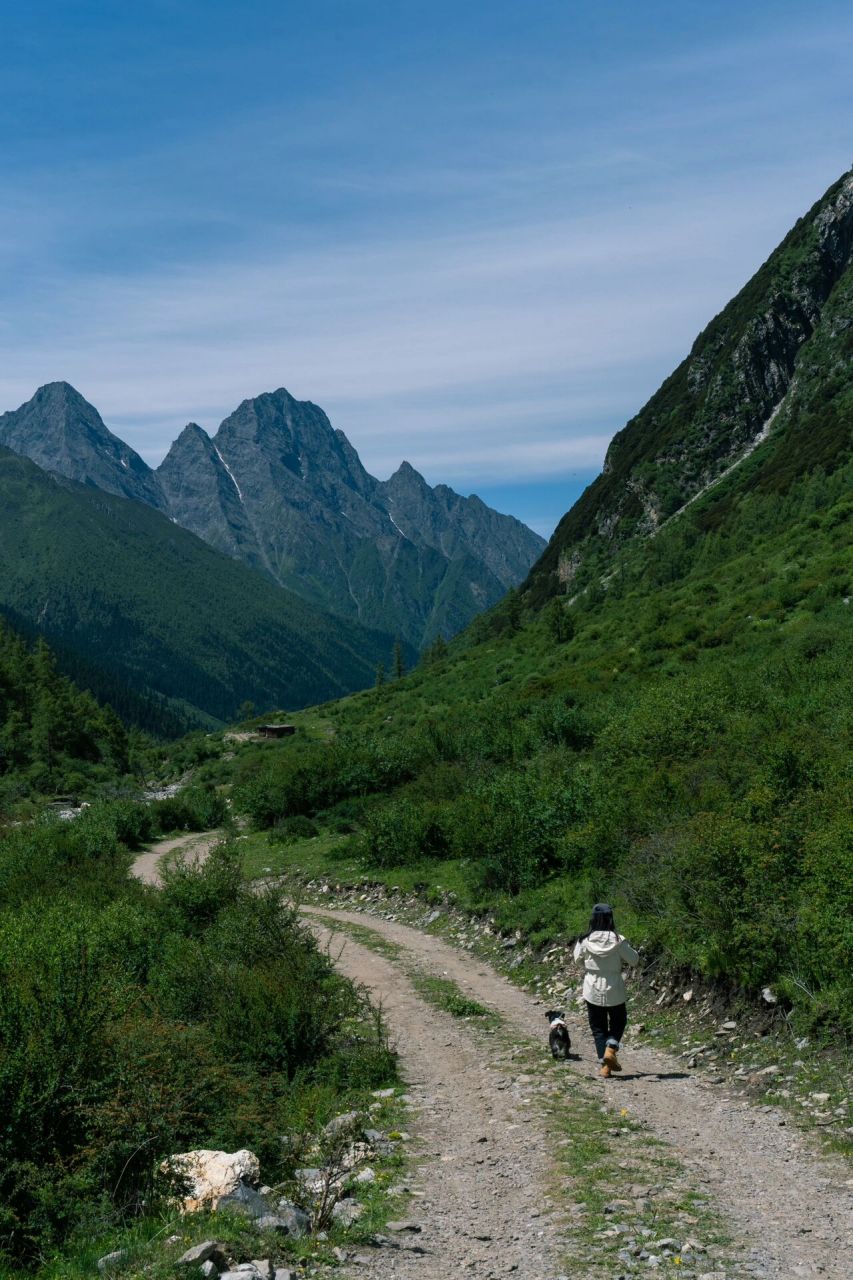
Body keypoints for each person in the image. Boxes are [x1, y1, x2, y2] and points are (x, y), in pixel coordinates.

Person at [574, 903, 639, 1077]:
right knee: (619, 1021)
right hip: (615, 987)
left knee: (598, 1028)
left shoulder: (584, 940)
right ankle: (610, 1049)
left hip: (592, 987)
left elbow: (577, 960)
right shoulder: (618, 940)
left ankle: (605, 1066)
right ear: (611, 918)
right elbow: (634, 960)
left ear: (593, 919)